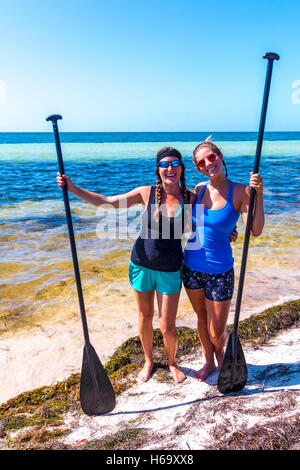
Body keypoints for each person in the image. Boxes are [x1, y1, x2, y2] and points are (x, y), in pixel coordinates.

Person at [57, 147, 193, 383]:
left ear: (181, 168)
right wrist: (73, 188)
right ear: (158, 169)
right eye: (164, 164)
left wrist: (230, 232)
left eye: (174, 163)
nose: (170, 168)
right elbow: (107, 202)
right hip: (141, 265)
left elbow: (209, 221)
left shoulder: (190, 197)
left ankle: (172, 362)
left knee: (167, 325)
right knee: (144, 316)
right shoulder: (146, 193)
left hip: (171, 268)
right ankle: (149, 361)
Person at [182, 137, 264, 382]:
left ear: (220, 157)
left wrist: (259, 195)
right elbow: (186, 222)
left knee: (217, 331)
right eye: (201, 162)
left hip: (220, 272)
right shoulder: (198, 190)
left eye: (211, 157)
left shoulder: (241, 191)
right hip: (191, 268)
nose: (208, 163)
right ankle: (209, 361)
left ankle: (224, 363)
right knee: (201, 319)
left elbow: (255, 230)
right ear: (198, 168)